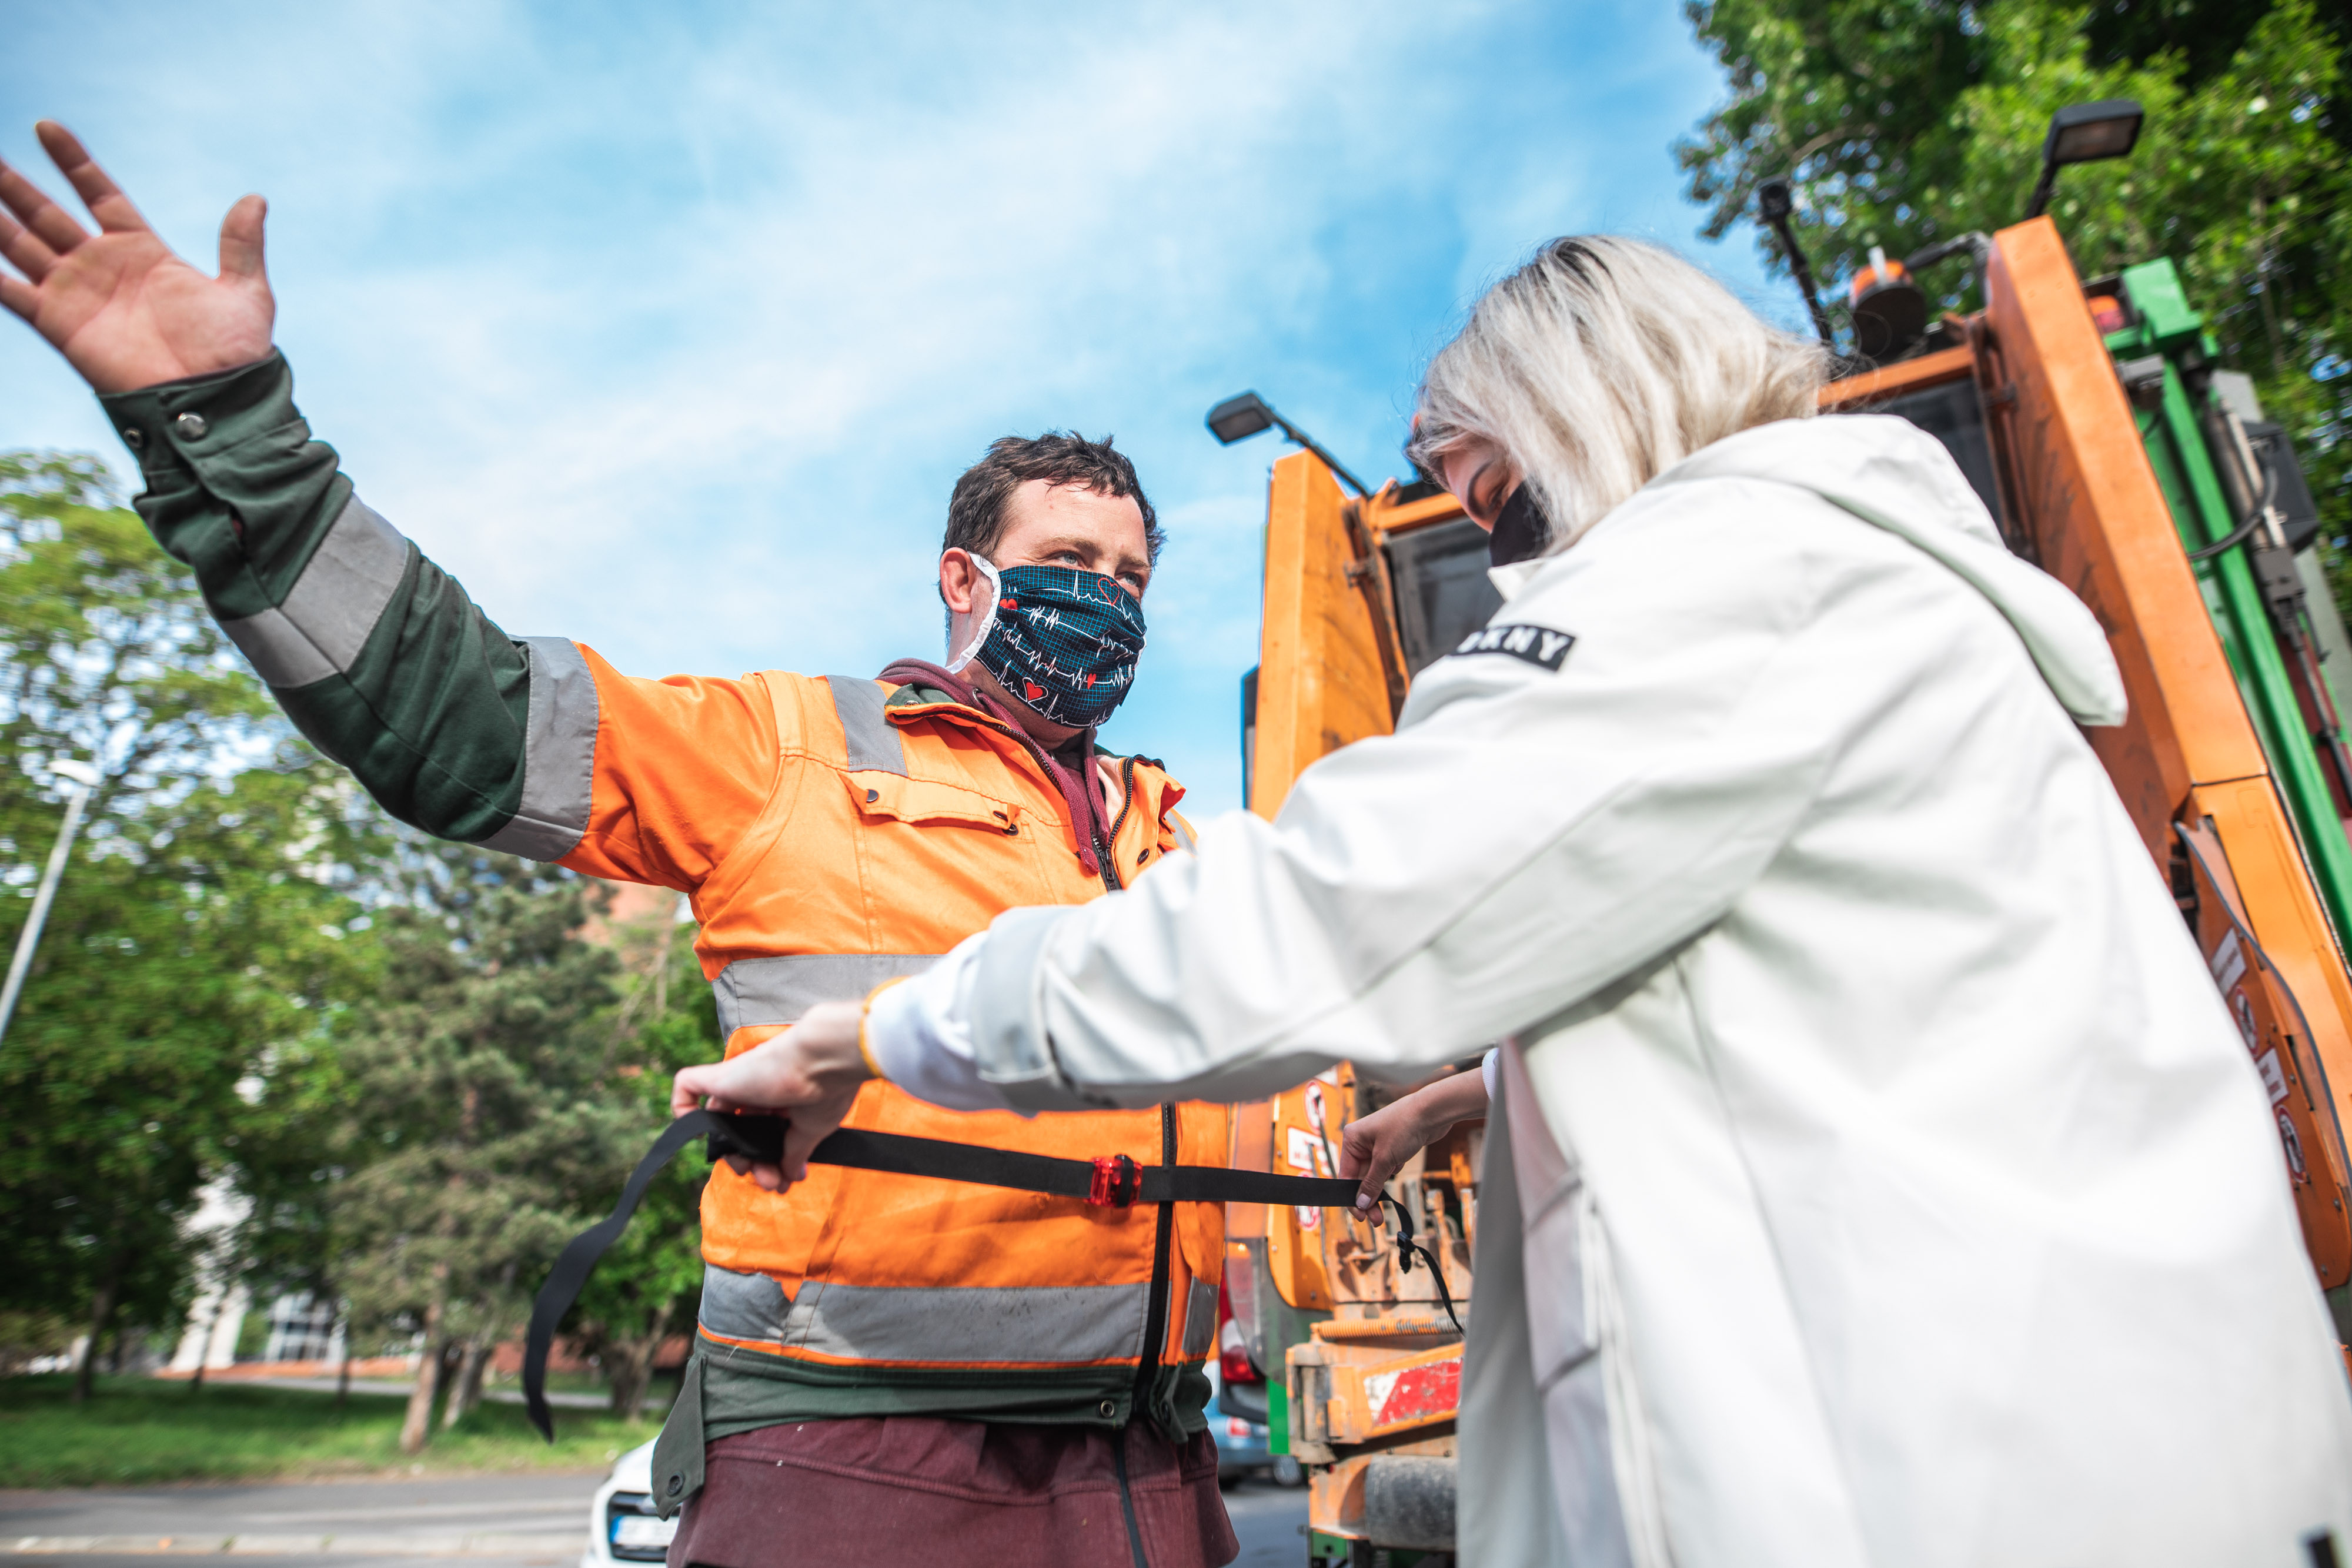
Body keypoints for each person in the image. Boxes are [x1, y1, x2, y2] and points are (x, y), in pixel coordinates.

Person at [674, 235, 2352, 1567]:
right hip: (2103, 1423)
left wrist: (874, 1031)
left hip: (1940, 1472)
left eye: (1512, 509)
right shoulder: (1864, 586)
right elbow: (1817, 992)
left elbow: (1328, 917)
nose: (1523, 566)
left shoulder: (1701, 583)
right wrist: (1481, 1096)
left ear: (1592, 420)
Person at [0, 123, 1240, 1568]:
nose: (1107, 601)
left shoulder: (1176, 841)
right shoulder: (793, 746)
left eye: (1132, 578)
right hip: (858, 1463)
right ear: (967, 578)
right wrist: (226, 430)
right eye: (1069, 567)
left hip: (1151, 1473)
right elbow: (452, 716)